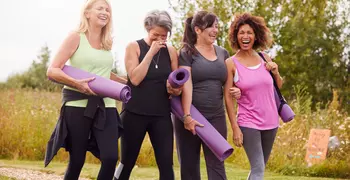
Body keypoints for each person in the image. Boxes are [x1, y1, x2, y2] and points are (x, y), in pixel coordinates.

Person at [45, 0, 125, 179]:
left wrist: (126, 83)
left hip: (107, 105)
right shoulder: (75, 37)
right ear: (87, 13)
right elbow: (53, 70)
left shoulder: (107, 42)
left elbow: (103, 72)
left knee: (111, 157)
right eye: (100, 8)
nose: (105, 12)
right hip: (78, 105)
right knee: (77, 160)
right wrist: (77, 83)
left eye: (107, 9)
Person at [113, 10, 181, 180]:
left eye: (164, 36)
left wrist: (174, 89)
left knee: (166, 164)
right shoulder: (133, 47)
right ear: (147, 29)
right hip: (134, 113)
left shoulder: (171, 51)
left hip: (161, 115)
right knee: (126, 162)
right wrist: (151, 52)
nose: (159, 40)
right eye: (155, 35)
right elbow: (135, 79)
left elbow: (177, 84)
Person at [174, 10, 240, 180]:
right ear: (197, 30)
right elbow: (186, 85)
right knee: (189, 166)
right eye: (210, 26)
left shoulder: (223, 53)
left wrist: (237, 90)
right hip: (192, 116)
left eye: (217, 26)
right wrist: (187, 116)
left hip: (216, 116)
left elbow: (229, 86)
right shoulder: (187, 53)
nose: (215, 30)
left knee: (217, 164)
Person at [224, 12, 283, 180]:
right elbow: (227, 97)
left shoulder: (265, 57)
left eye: (249, 32)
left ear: (256, 36)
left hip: (271, 121)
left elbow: (277, 88)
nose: (245, 36)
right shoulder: (231, 63)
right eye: (241, 32)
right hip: (248, 121)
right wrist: (235, 127)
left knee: (260, 168)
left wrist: (276, 72)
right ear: (236, 36)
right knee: (258, 168)